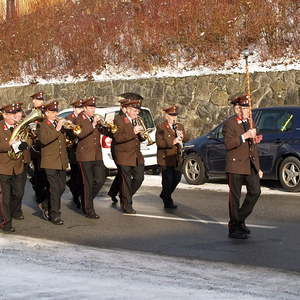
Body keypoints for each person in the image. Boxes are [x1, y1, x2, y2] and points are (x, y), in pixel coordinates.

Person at [223, 95, 263, 239]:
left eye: (248, 107)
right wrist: (245, 136)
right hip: (235, 165)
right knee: (235, 197)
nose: (248, 110)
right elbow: (228, 144)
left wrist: (258, 168)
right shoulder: (230, 123)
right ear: (238, 109)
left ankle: (238, 220)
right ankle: (234, 228)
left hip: (249, 165)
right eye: (245, 108)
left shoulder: (249, 122)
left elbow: (252, 148)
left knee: (255, 191)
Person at [74, 97, 107, 219]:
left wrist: (105, 126)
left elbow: (102, 132)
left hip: (97, 155)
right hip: (85, 156)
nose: (93, 110)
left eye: (94, 107)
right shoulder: (79, 119)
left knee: (100, 179)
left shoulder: (94, 118)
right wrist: (93, 124)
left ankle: (85, 199)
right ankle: (89, 209)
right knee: (87, 183)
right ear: (85, 108)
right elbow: (80, 134)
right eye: (91, 108)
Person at [108, 92, 144, 204]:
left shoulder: (137, 120)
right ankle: (126, 201)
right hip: (123, 154)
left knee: (139, 178)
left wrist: (142, 135)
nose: (136, 113)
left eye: (137, 111)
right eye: (134, 110)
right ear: (126, 109)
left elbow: (140, 138)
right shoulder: (119, 119)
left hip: (136, 155)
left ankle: (124, 194)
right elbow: (118, 137)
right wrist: (133, 132)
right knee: (125, 179)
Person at [37, 101, 68, 225]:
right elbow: (44, 140)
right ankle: (55, 215)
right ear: (46, 113)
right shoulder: (42, 125)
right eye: (53, 112)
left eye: (56, 111)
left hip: (60, 161)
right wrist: (58, 128)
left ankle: (45, 203)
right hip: (49, 161)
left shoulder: (56, 123)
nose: (56, 114)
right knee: (55, 188)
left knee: (61, 187)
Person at [0, 104, 28, 232]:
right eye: (10, 114)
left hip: (17, 166)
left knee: (18, 193)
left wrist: (24, 144)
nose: (14, 117)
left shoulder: (19, 127)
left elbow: (28, 138)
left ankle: (5, 214)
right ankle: (6, 223)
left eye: (14, 114)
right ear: (4, 115)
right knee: (4, 197)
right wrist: (9, 144)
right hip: (3, 167)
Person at [156, 105, 189, 209]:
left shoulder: (179, 126)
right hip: (165, 158)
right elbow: (159, 143)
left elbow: (187, 138)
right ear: (166, 116)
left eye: (175, 115)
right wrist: (173, 142)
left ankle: (164, 194)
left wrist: (182, 136)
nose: (174, 117)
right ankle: (168, 201)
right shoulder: (161, 127)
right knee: (168, 180)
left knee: (177, 178)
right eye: (171, 115)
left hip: (176, 158)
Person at [28, 92, 50, 218]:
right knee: (39, 176)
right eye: (36, 99)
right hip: (35, 149)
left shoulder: (46, 112)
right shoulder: (30, 113)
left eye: (40, 99)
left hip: (46, 148)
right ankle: (42, 200)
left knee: (45, 177)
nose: (38, 101)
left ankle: (44, 201)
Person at [65, 99, 84, 209]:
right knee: (76, 173)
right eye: (78, 108)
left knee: (80, 175)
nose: (80, 110)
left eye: (81, 108)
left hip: (82, 149)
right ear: (74, 108)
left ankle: (73, 185)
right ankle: (76, 196)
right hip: (73, 149)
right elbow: (68, 135)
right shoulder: (69, 119)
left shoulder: (82, 118)